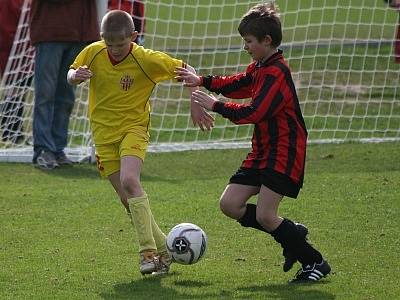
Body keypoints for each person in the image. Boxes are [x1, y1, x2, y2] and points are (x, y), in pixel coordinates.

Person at [175, 2, 331, 283]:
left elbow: (254, 112)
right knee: (230, 205)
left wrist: (216, 105)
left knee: (266, 215)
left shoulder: (276, 73)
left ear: (266, 40)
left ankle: (315, 262)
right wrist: (202, 80)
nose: (245, 46)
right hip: (263, 150)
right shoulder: (260, 67)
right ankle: (291, 233)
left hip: (285, 150)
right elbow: (238, 84)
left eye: (248, 41)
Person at [67, 10, 213, 275]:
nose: (114, 50)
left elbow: (188, 71)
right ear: (102, 39)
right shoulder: (94, 52)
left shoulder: (146, 59)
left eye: (121, 44)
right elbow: (72, 71)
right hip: (102, 135)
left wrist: (195, 103)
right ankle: (165, 252)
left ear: (134, 37)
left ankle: (147, 253)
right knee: (126, 199)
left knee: (130, 181)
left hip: (133, 129)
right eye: (109, 44)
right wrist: (74, 77)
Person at [30, 0, 99, 169]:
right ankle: (44, 149)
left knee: (66, 97)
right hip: (50, 32)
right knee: (46, 94)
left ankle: (58, 149)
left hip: (78, 33)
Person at [0, 0, 25, 143]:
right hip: (10, 46)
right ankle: (10, 132)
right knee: (14, 88)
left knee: (18, 88)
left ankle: (14, 131)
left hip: (19, 46)